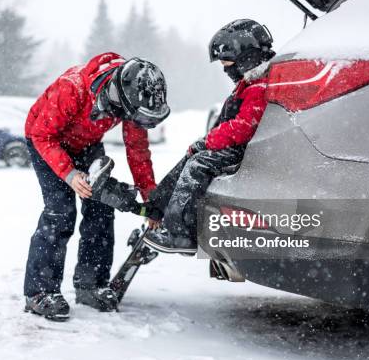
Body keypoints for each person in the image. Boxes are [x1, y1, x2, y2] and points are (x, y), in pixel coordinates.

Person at [89, 19, 275, 255]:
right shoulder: (249, 84)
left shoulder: (258, 88)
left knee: (197, 165)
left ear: (247, 58)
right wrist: (201, 144)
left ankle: (180, 234)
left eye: (228, 64)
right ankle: (157, 209)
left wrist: (207, 142)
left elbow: (242, 127)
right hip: (232, 147)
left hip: (243, 151)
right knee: (188, 159)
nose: (226, 70)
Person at [23, 52, 170, 321]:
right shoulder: (74, 87)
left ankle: (90, 285)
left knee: (101, 210)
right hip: (47, 142)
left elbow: (137, 149)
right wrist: (69, 175)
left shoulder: (133, 97)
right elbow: (42, 135)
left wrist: (150, 195)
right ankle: (39, 293)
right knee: (60, 213)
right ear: (117, 96)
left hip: (87, 144)